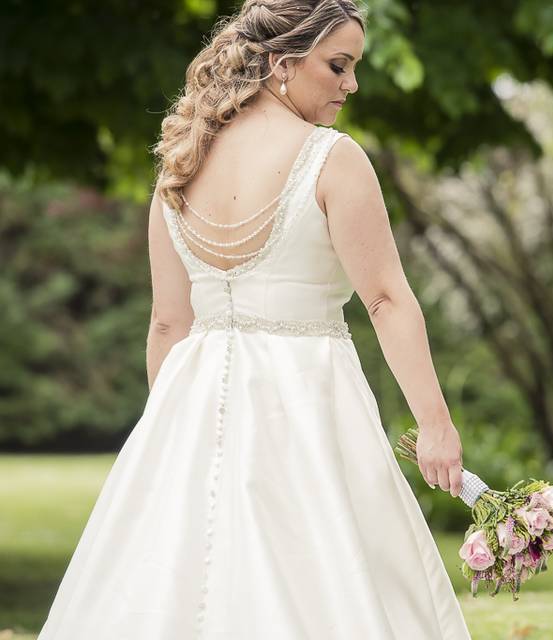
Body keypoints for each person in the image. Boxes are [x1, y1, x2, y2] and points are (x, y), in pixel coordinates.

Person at [36, 1, 472, 638]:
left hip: (192, 400)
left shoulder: (179, 165)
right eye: (339, 65)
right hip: (309, 399)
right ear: (281, 62)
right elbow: (384, 299)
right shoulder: (334, 158)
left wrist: (169, 441)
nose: (352, 84)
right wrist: (436, 424)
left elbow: (167, 324)